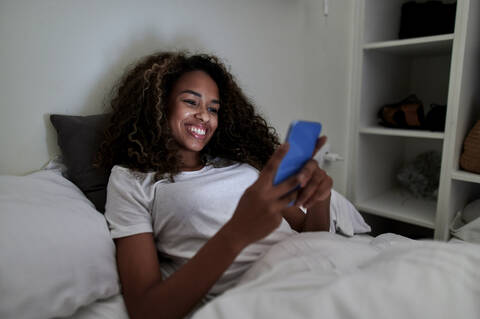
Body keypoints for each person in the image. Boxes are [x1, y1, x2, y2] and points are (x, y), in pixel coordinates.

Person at [96, 51, 333, 319]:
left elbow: (312, 235)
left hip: (317, 267)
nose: (204, 117)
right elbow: (146, 310)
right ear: (159, 105)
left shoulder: (239, 164)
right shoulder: (132, 179)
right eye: (190, 102)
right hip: (271, 293)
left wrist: (320, 197)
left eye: (213, 109)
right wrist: (238, 232)